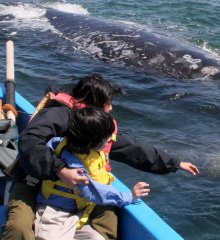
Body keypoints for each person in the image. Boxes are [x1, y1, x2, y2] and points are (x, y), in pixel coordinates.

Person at [1, 74, 199, 240]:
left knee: (108, 222)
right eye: (108, 103)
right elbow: (30, 141)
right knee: (18, 228)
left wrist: (174, 163)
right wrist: (60, 170)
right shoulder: (57, 116)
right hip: (34, 180)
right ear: (94, 103)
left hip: (82, 191)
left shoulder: (96, 128)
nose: (111, 108)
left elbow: (133, 149)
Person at [35, 107, 150, 240]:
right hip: (55, 213)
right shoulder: (74, 165)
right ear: (92, 142)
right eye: (106, 138)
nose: (109, 141)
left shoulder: (60, 141)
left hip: (79, 213)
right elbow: (94, 192)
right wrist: (129, 196)